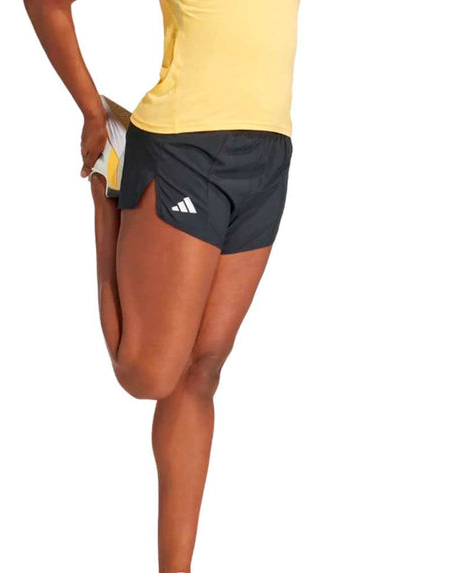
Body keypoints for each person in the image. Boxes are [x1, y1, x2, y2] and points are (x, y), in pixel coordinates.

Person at [24, 0, 300, 571]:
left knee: (202, 370)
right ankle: (110, 184)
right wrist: (92, 112)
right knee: (146, 374)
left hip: (270, 150)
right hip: (186, 145)